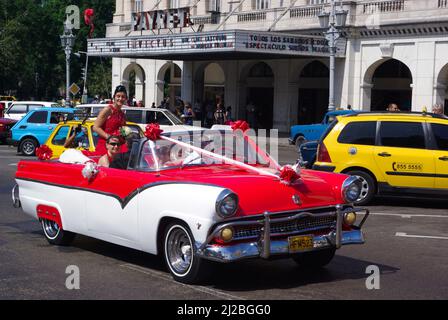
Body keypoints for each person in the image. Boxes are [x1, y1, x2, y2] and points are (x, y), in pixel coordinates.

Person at [93, 85, 127, 155]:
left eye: (123, 97)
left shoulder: (122, 114)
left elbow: (122, 130)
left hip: (118, 146)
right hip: (105, 146)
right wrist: (108, 137)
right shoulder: (108, 110)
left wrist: (126, 136)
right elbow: (95, 127)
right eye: (118, 96)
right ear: (114, 97)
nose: (120, 99)